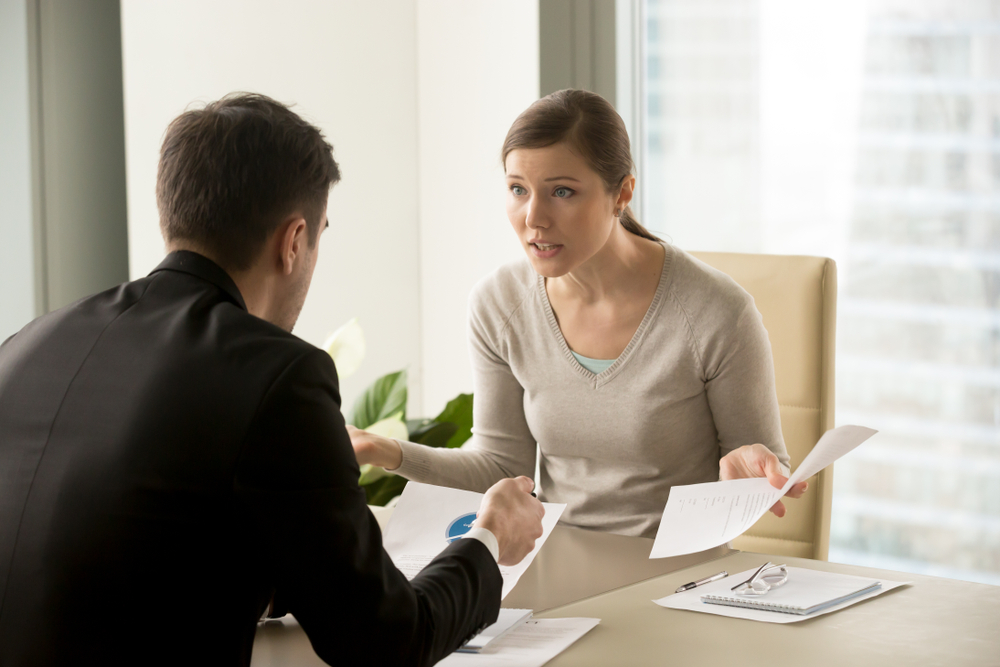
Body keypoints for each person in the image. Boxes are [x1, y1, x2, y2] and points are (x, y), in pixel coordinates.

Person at [0, 93, 544, 667]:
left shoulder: (28, 343)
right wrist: (486, 541)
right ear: (293, 242)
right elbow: (385, 641)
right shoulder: (278, 374)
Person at [351, 89, 807, 538]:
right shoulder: (499, 304)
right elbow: (500, 466)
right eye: (517, 190)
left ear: (622, 192)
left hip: (677, 574)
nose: (533, 218)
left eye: (562, 191)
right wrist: (385, 451)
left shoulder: (716, 313)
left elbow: (764, 468)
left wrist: (745, 483)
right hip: (556, 564)